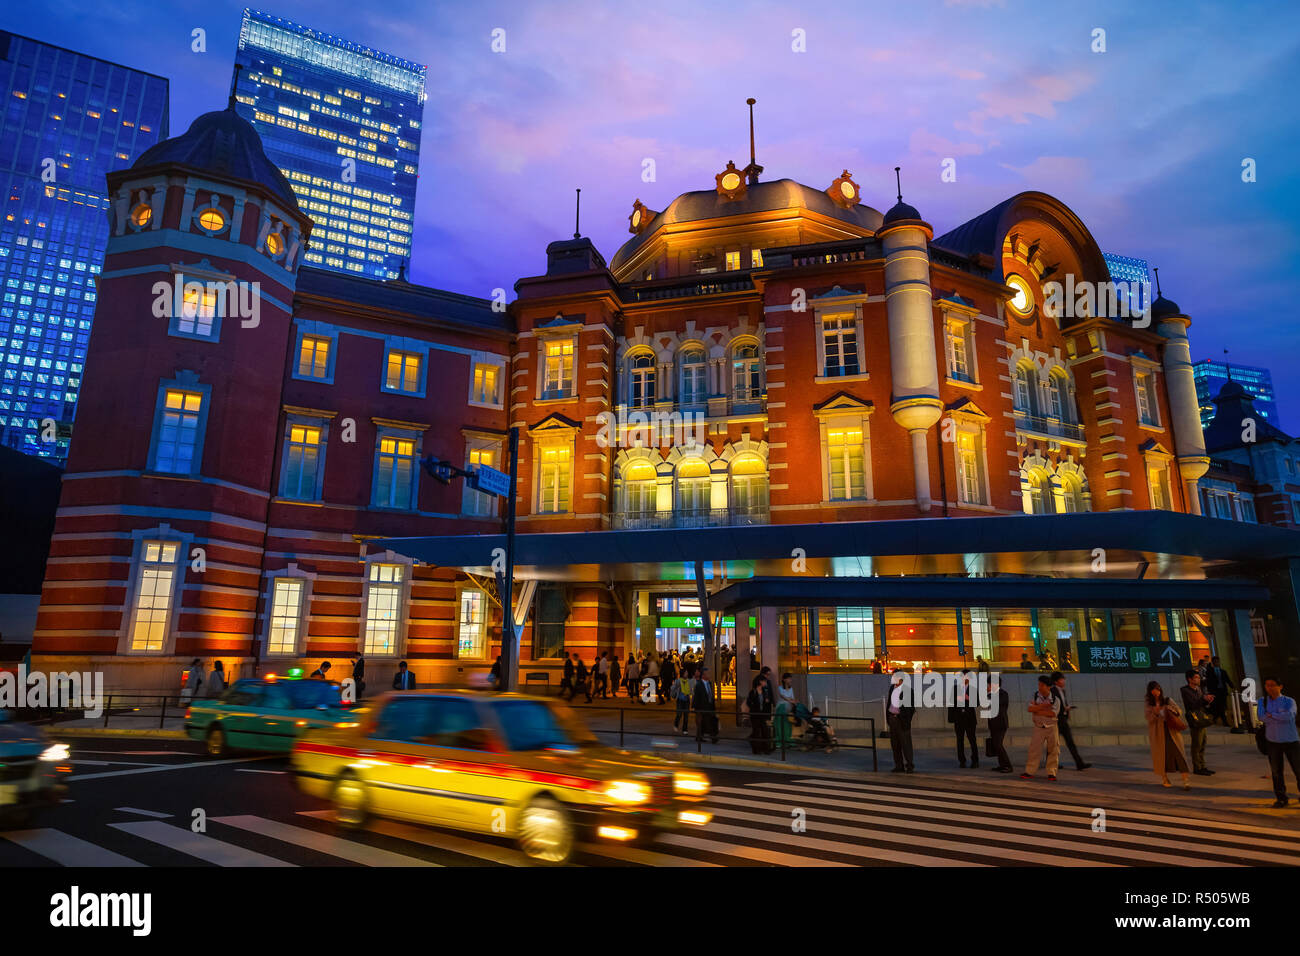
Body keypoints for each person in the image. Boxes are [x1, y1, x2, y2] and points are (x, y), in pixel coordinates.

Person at [1258, 677, 1300, 808]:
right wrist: (1277, 716)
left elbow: (1290, 716)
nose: (1269, 688)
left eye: (1272, 685)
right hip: (1273, 741)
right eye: (1267, 685)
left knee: (1298, 770)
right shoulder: (1262, 701)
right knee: (1276, 772)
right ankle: (1281, 798)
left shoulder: (1289, 701)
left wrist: (1272, 715)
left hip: (1291, 740)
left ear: (1280, 686)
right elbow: (1261, 717)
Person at [1144, 681, 1190, 790]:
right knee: (1161, 756)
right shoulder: (1148, 703)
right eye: (1154, 689)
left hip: (1171, 730)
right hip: (1158, 732)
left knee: (1179, 755)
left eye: (1158, 689)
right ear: (1150, 691)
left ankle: (1186, 781)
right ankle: (1165, 778)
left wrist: (1169, 709)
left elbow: (1179, 711)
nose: (1157, 692)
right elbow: (1148, 718)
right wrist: (1156, 713)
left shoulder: (1167, 700)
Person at [1021, 675, 1061, 781]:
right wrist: (1043, 706)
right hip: (1038, 727)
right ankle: (1029, 771)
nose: (1039, 687)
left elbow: (1052, 713)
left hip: (1052, 727)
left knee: (1053, 749)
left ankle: (1052, 772)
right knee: (1034, 749)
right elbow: (1030, 709)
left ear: (1048, 687)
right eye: (1039, 684)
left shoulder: (1055, 699)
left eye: (1042, 685)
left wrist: (1037, 709)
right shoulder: (1035, 696)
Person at [1179, 668, 1216, 776]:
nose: (1198, 679)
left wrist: (1207, 700)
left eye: (1199, 677)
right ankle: (1197, 767)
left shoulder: (1199, 689)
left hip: (1201, 717)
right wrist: (1204, 699)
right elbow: (1192, 704)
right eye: (1196, 677)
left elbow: (1200, 703)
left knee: (1203, 742)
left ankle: (1202, 765)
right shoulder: (1185, 690)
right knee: (1196, 744)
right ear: (1189, 679)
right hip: (1194, 719)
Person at [1052, 671, 1091, 770]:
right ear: (1056, 681)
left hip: (1063, 721)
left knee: (1070, 742)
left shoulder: (1062, 691)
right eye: (1061, 679)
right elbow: (1053, 706)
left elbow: (1063, 703)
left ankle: (1079, 763)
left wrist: (1067, 710)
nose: (1064, 680)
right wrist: (1064, 709)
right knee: (1053, 744)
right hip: (1055, 721)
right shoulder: (1052, 691)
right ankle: (1052, 763)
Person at [886, 670, 915, 773]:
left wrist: (906, 719)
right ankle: (899, 765)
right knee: (895, 744)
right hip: (892, 718)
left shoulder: (907, 690)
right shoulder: (891, 688)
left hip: (901, 719)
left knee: (906, 744)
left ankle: (909, 765)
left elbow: (911, 708)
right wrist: (888, 717)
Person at [948, 674, 978, 768]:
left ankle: (975, 761)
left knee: (972, 740)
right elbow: (951, 703)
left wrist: (968, 698)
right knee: (959, 740)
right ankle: (962, 761)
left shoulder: (973, 689)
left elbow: (977, 703)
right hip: (959, 718)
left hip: (969, 719)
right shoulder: (955, 688)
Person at [987, 677, 1013, 773]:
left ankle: (1008, 766)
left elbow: (997, 703)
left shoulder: (1003, 694)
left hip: (1001, 724)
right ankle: (1002, 765)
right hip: (992, 723)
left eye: (989, 684)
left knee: (998, 745)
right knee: (996, 745)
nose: (988, 686)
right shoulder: (991, 694)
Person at [1203, 656, 1234, 728]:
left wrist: (1232, 686)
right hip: (1215, 692)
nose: (1217, 663)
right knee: (1218, 707)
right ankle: (1223, 721)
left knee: (1222, 707)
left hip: (1223, 691)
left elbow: (1228, 680)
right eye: (1215, 661)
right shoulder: (1209, 671)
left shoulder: (1223, 671)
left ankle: (1216, 718)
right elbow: (1208, 682)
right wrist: (1210, 692)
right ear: (1213, 662)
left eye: (1218, 661)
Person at [692, 665, 720, 744]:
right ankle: (713, 737)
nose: (709, 675)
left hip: (710, 706)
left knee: (706, 722)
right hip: (702, 707)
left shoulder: (709, 683)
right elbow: (696, 697)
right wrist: (695, 708)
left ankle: (699, 736)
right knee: (708, 723)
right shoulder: (699, 685)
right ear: (703, 675)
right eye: (707, 674)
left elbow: (710, 694)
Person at [745, 675, 772, 754]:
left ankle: (765, 749)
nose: (766, 682)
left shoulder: (765, 691)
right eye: (764, 681)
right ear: (760, 682)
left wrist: (767, 702)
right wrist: (754, 707)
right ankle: (756, 749)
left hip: (763, 714)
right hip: (755, 715)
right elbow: (749, 702)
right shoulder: (753, 692)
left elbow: (767, 703)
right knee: (756, 732)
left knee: (765, 731)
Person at [773, 673, 796, 751]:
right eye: (788, 678)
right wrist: (790, 700)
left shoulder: (791, 689)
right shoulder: (780, 688)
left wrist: (793, 702)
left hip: (788, 707)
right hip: (781, 707)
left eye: (790, 678)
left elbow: (792, 699)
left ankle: (788, 741)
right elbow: (782, 696)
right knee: (781, 722)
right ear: (784, 679)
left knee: (788, 723)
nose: (790, 680)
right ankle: (780, 741)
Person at [672, 664, 693, 735]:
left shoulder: (689, 681)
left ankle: (685, 729)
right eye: (685, 672)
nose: (687, 674)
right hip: (680, 700)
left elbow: (691, 690)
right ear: (682, 674)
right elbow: (673, 688)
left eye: (687, 672)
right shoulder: (678, 681)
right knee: (679, 714)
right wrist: (674, 694)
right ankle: (676, 724)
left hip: (687, 700)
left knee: (686, 716)